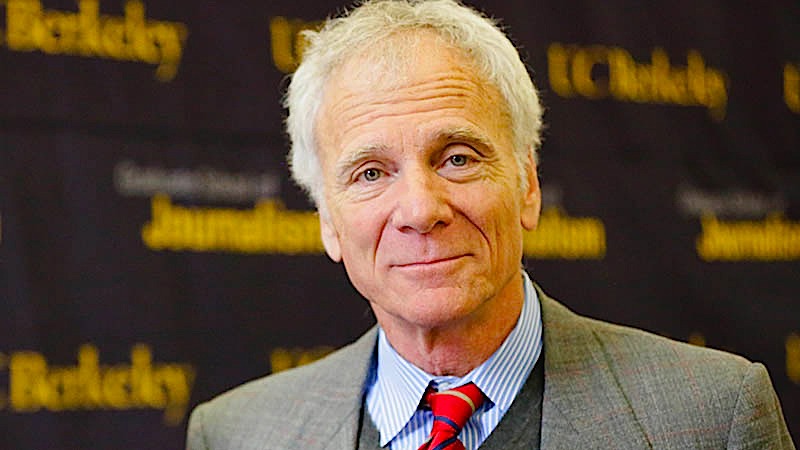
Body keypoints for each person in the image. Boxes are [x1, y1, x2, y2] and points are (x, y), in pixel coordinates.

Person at [186, 1, 795, 448]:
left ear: (527, 185)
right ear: (327, 222)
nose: (421, 209)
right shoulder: (236, 433)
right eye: (370, 173)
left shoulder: (715, 418)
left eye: (457, 158)